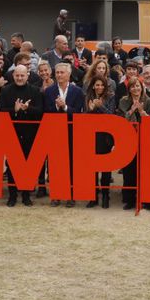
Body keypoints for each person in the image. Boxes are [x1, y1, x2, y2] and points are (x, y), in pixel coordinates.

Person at [0, 64, 43, 207]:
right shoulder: (6, 91)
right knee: (11, 166)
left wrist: (27, 108)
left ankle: (26, 195)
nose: (19, 78)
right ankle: (12, 195)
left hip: (30, 134)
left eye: (22, 75)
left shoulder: (35, 91)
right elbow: (0, 111)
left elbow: (41, 111)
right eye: (17, 75)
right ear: (13, 76)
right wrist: (14, 110)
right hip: (12, 133)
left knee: (28, 165)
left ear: (27, 76)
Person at [43, 62, 84, 206]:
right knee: (54, 165)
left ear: (69, 74)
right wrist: (56, 106)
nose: (59, 75)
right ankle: (56, 195)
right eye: (57, 72)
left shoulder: (77, 91)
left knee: (71, 164)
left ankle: (71, 195)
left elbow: (79, 113)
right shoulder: (48, 91)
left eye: (62, 72)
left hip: (72, 133)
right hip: (54, 133)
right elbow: (46, 112)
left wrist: (65, 107)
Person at [117, 76, 150, 210]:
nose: (135, 88)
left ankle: (145, 199)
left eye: (137, 86)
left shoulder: (148, 100)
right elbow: (120, 120)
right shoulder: (123, 101)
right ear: (129, 89)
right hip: (128, 139)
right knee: (129, 171)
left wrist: (142, 113)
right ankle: (129, 199)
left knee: (144, 170)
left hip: (144, 139)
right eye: (133, 86)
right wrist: (132, 110)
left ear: (142, 87)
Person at [83, 75, 116, 208]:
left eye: (102, 85)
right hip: (91, 136)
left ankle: (106, 195)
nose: (99, 87)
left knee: (106, 167)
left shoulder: (111, 97)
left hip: (105, 137)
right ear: (93, 86)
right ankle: (93, 196)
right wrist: (90, 110)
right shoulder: (87, 97)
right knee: (92, 168)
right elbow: (83, 118)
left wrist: (100, 106)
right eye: (97, 85)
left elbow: (112, 115)